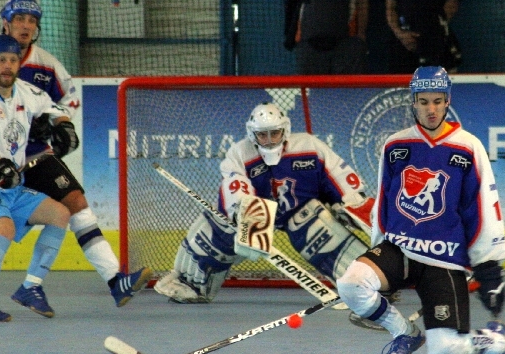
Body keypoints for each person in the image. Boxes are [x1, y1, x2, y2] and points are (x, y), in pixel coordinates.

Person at [0, 0, 151, 315]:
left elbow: (66, 101)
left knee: (73, 202)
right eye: (19, 19)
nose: (25, 26)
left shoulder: (45, 66)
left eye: (32, 21)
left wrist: (60, 125)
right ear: (5, 23)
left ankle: (112, 280)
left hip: (31, 154)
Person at [335, 66, 505, 354]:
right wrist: (378, 252)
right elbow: (383, 203)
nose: (431, 109)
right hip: (400, 249)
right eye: (423, 102)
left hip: (443, 260)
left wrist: (488, 267)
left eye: (437, 101)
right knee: (351, 283)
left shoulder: (468, 147)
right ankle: (404, 332)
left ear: (447, 101)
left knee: (446, 351)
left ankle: (496, 339)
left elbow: (483, 207)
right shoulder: (395, 145)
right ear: (413, 102)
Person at [154, 102, 376, 306]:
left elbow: (338, 176)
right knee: (219, 226)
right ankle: (191, 283)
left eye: (274, 133)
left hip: (302, 212)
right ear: (252, 134)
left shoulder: (309, 146)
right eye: (262, 135)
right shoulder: (240, 153)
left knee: (322, 227)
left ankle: (366, 283)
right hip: (258, 214)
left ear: (285, 130)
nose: (269, 140)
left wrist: (349, 202)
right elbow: (235, 186)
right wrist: (246, 217)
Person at [0, 35, 73, 321]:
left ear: (19, 64)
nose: (7, 66)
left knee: (59, 214)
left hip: (11, 185)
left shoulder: (28, 92)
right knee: (3, 228)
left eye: (13, 60)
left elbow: (55, 109)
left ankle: (31, 287)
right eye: (1, 60)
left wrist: (64, 127)